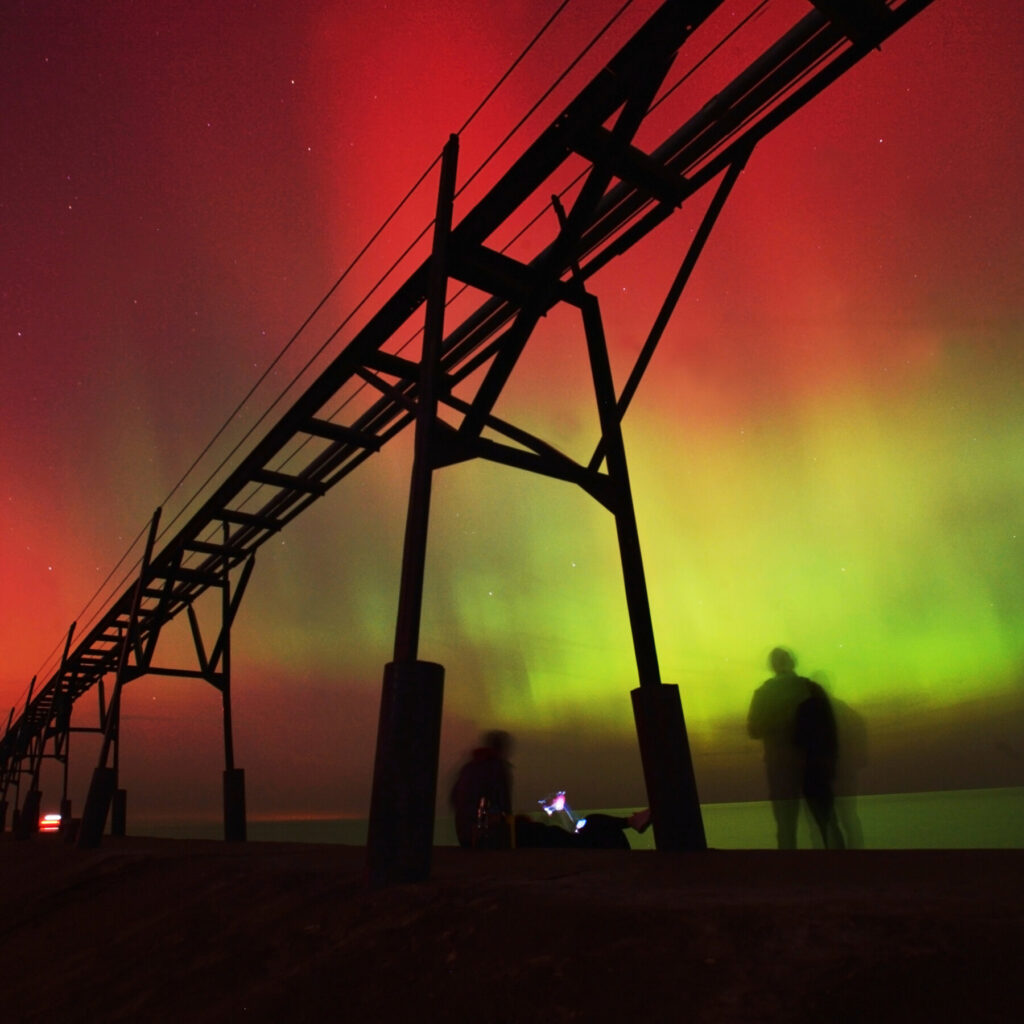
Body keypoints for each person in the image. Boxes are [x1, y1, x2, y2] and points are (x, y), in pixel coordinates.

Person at [747, 647, 845, 849]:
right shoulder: (810, 688)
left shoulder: (764, 693)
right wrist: (830, 763)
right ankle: (842, 869)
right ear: (792, 662)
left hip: (781, 767)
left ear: (773, 666)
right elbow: (829, 731)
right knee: (826, 822)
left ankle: (790, 873)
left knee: (786, 827)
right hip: (812, 765)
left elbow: (754, 730)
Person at [450, 730, 514, 848]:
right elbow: (504, 803)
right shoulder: (497, 769)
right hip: (484, 837)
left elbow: (454, 798)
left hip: (464, 833)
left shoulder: (469, 767)